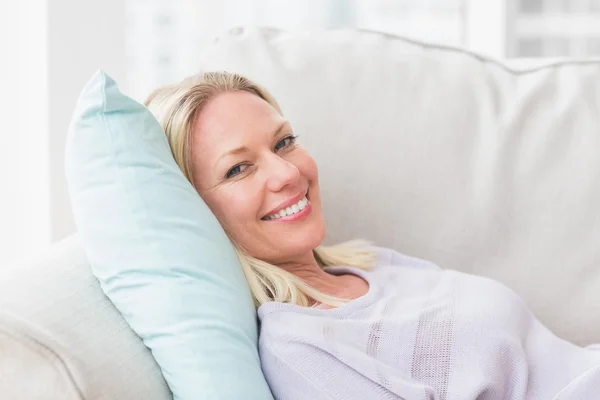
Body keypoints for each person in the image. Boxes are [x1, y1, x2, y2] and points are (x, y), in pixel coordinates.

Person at [145, 71, 600, 399]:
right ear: (195, 211)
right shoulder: (298, 347)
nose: (287, 173)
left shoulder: (375, 264)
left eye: (283, 142)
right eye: (239, 168)